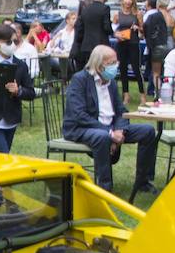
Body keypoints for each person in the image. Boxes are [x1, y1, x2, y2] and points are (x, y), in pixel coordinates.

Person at [63, 45, 158, 195]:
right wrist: (109, 133)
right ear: (99, 66)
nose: (116, 66)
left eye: (116, 62)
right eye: (111, 63)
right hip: (82, 128)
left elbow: (121, 111)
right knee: (101, 137)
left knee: (148, 131)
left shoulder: (111, 82)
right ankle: (104, 187)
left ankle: (143, 182)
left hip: (111, 127)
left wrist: (119, 130)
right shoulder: (80, 80)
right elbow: (79, 115)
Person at [70, 0, 112, 78]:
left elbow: (80, 27)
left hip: (87, 45)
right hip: (101, 44)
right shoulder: (105, 8)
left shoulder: (86, 9)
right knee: (100, 70)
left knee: (90, 70)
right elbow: (107, 27)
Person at [113, 0, 143, 95]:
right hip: (121, 43)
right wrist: (116, 34)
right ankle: (126, 94)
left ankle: (142, 93)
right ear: (123, 0)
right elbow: (113, 29)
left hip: (133, 43)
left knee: (136, 68)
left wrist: (138, 28)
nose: (128, 1)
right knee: (123, 69)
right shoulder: (117, 14)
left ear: (133, 1)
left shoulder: (137, 14)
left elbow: (143, 30)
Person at [141, 0, 170, 90]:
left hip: (157, 46)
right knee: (167, 72)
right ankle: (168, 90)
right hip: (169, 46)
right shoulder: (171, 17)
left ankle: (158, 93)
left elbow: (146, 28)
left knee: (156, 73)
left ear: (158, 4)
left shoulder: (154, 16)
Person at [44, 10, 77, 78]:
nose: (75, 20)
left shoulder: (77, 32)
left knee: (63, 60)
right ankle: (49, 82)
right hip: (61, 57)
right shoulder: (62, 32)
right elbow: (49, 47)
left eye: (76, 19)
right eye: (73, 19)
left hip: (72, 59)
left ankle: (64, 80)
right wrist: (55, 38)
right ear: (67, 21)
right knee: (45, 59)